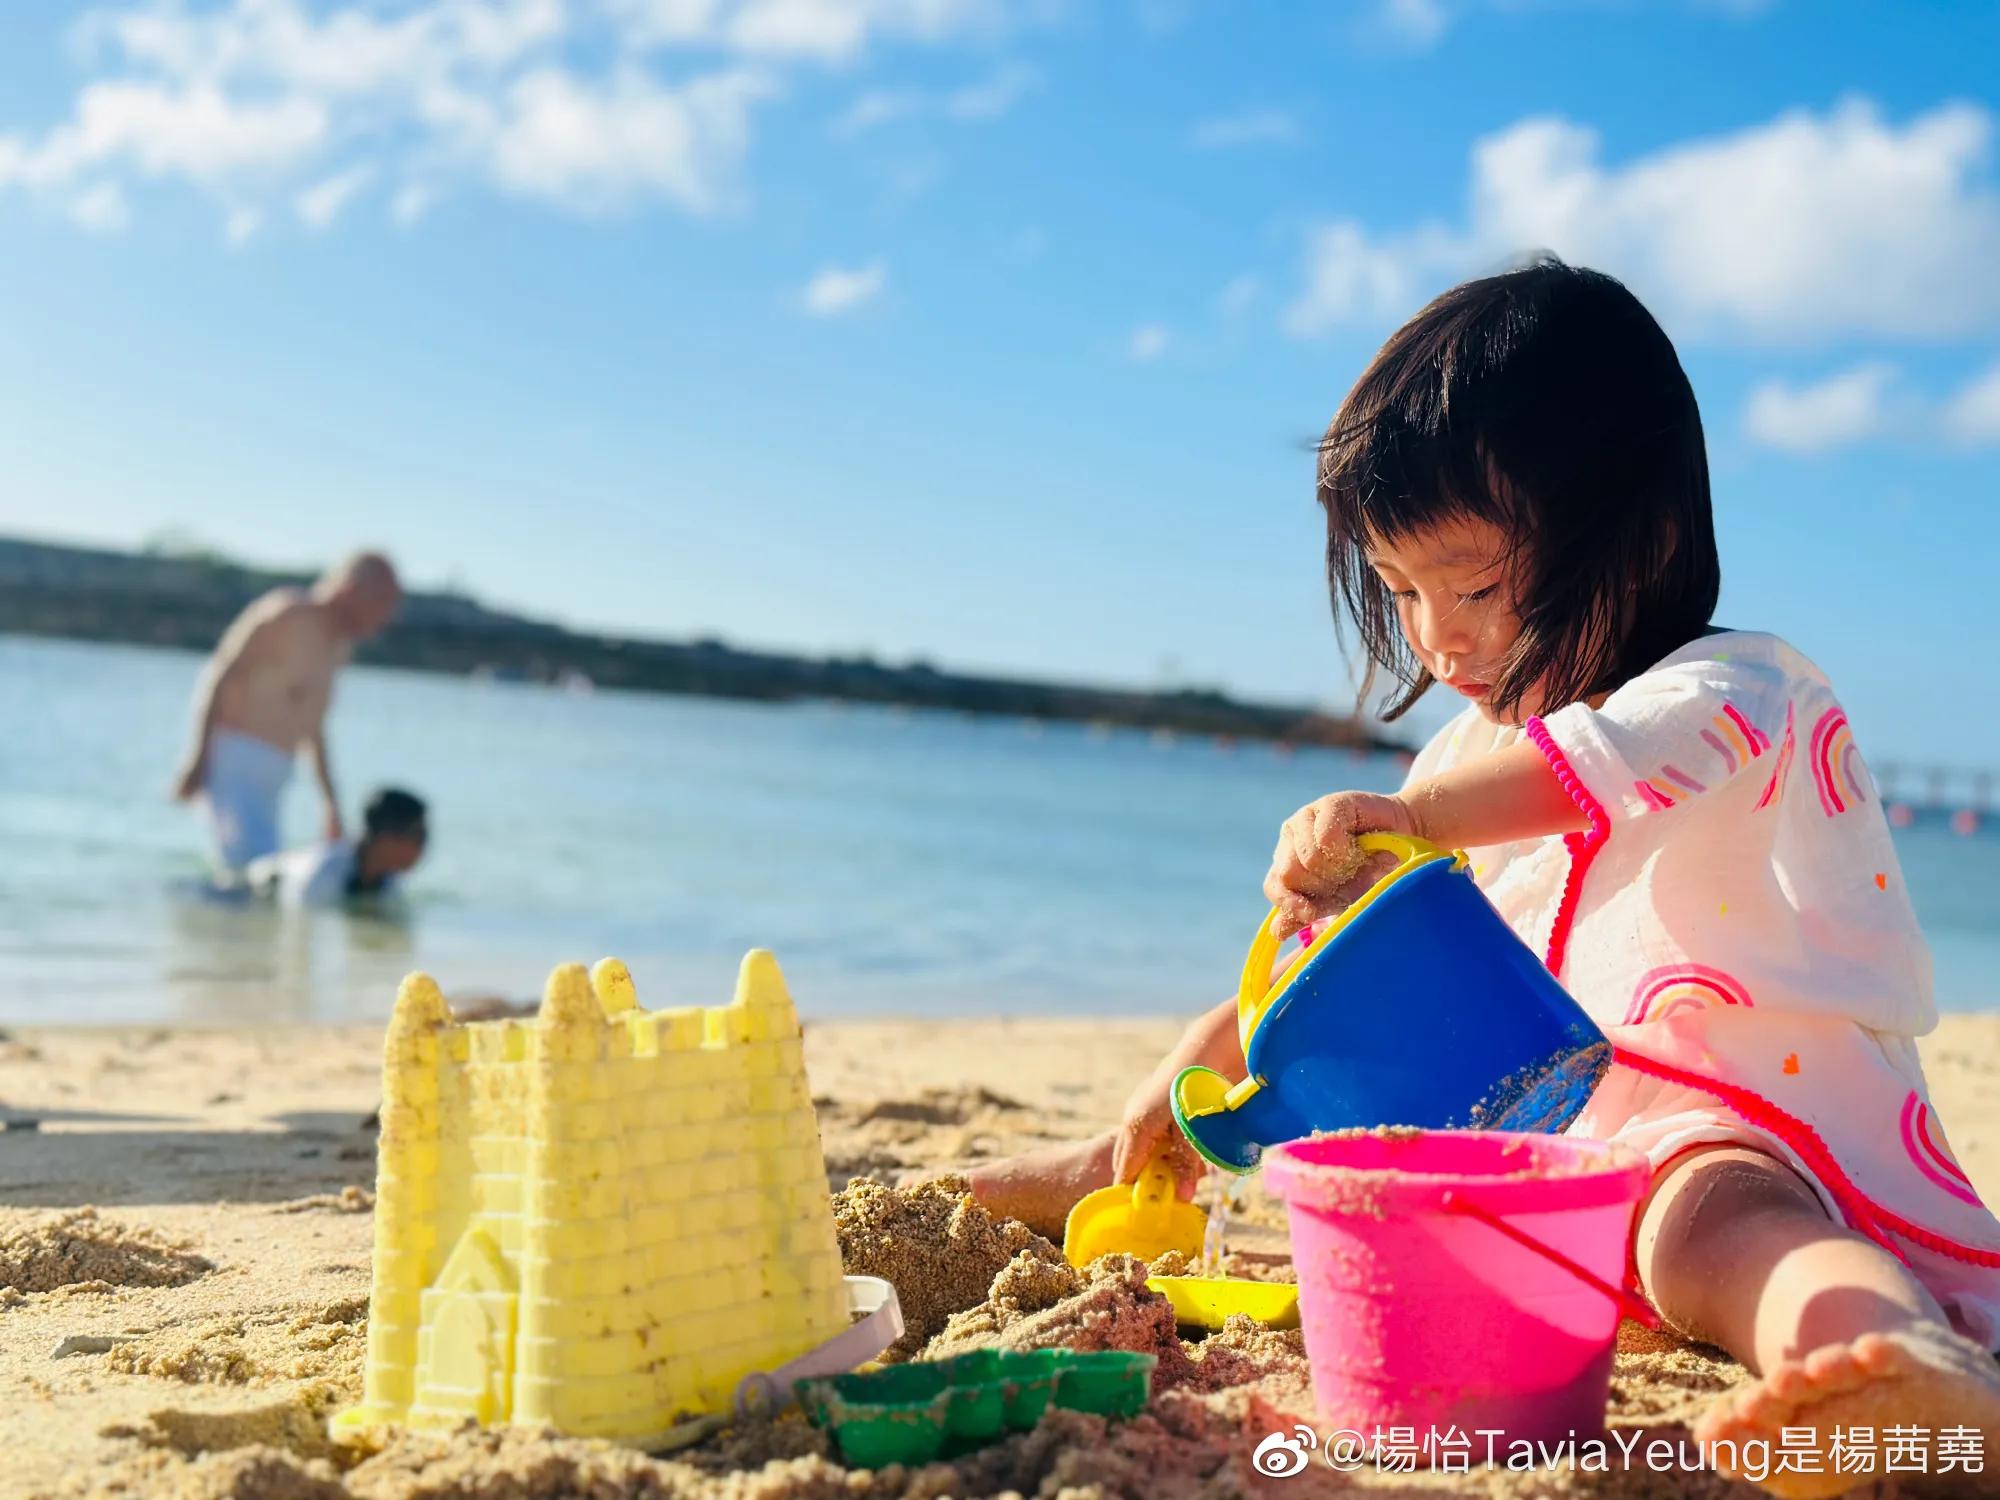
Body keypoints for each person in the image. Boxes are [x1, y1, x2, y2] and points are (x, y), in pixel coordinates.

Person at [971, 260, 2000, 1495]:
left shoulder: (1736, 689)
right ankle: (1105, 1164)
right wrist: (1200, 1056)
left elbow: (1595, 773)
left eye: (1470, 584)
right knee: (1462, 1182)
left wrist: (1406, 815)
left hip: (1754, 1123)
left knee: (1727, 1236)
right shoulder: (1468, 754)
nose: (1434, 635)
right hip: (1562, 1155)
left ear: (1639, 538)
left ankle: (1892, 1359)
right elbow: (1361, 957)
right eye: (1399, 590)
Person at [171, 552, 401, 872]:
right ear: (351, 590)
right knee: (252, 873)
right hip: (234, 759)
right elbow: (220, 674)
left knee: (259, 873)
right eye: (380, 605)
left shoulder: (338, 647)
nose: (383, 620)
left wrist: (330, 805)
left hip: (277, 771)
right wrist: (197, 758)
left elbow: (315, 726)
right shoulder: (287, 612)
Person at [244, 787, 428, 908]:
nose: (424, 846)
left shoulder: (389, 880)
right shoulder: (322, 872)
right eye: (419, 836)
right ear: (387, 838)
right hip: (248, 891)